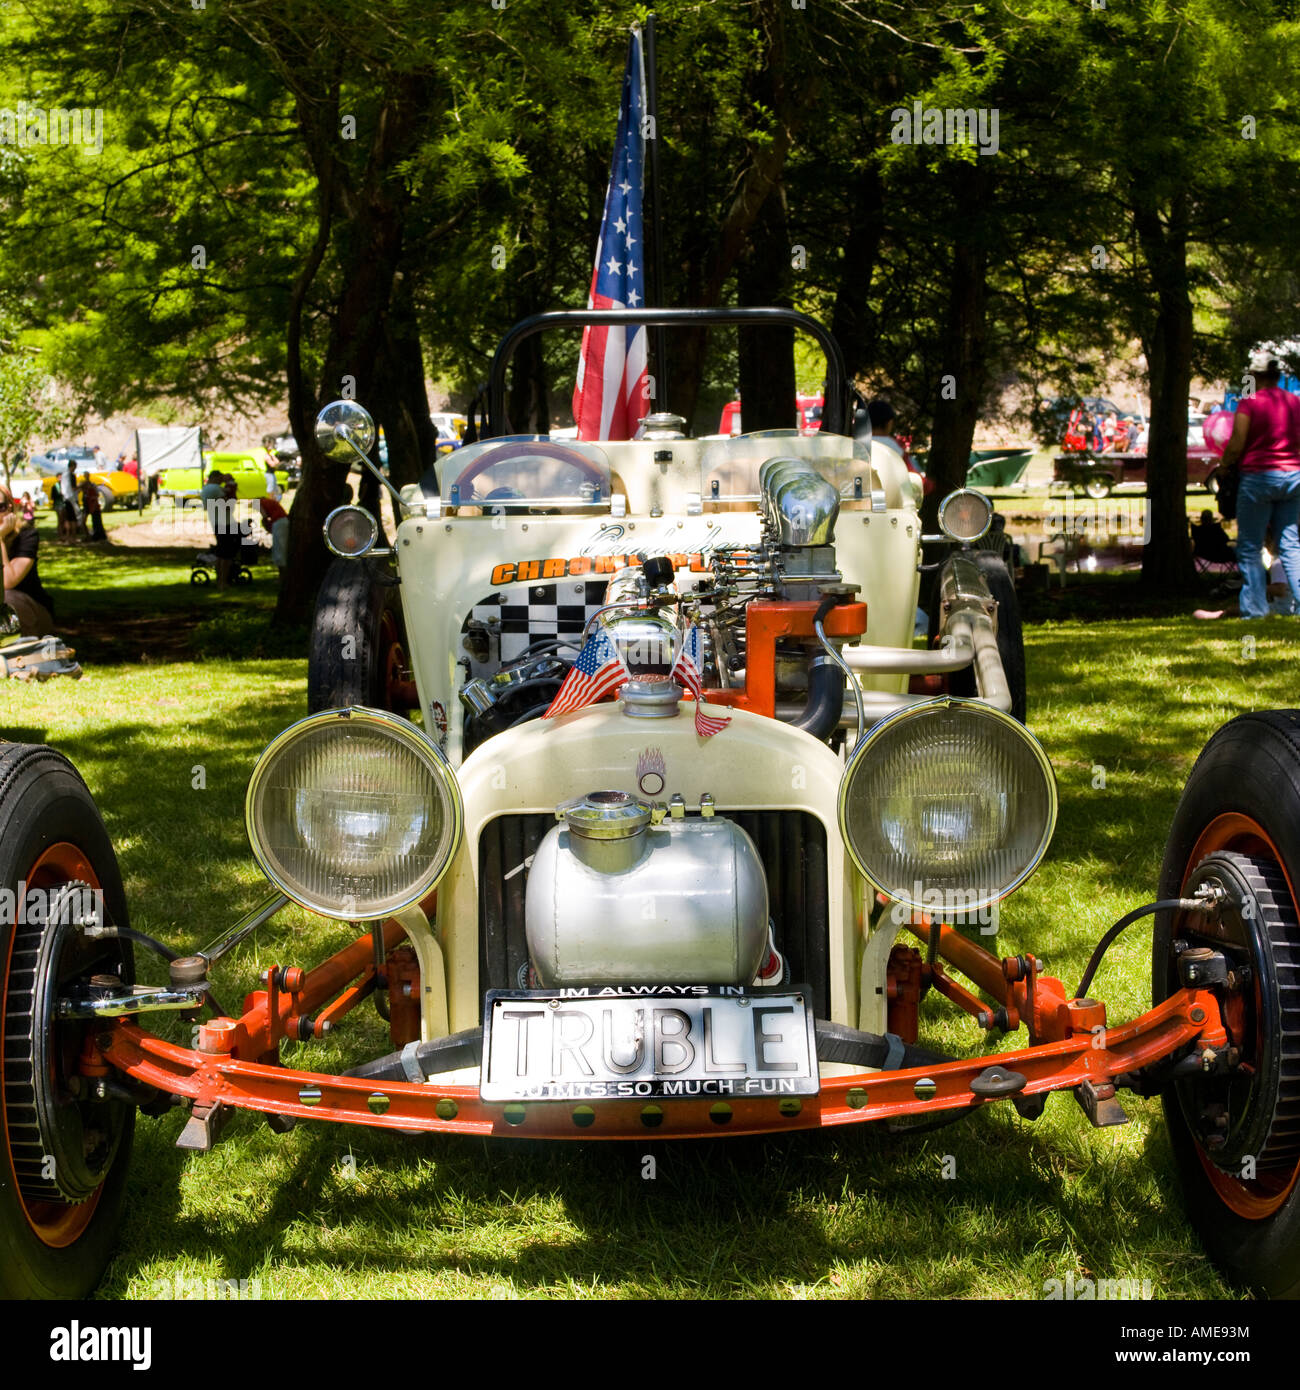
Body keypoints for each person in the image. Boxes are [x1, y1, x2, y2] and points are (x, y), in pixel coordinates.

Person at [1216, 353, 1300, 619]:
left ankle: (1255, 610)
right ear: (1277, 376)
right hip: (1293, 477)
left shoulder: (1249, 404)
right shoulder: (1295, 403)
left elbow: (1238, 441)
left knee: (1250, 546)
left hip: (1258, 477)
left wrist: (1225, 465)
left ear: (1255, 376)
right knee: (1291, 545)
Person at [0, 484, 55, 634]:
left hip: (31, 612)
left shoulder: (27, 535)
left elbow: (8, 581)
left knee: (5, 597)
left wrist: (0, 540)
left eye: (0, 507)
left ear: (10, 508)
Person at [259, 493, 289, 572]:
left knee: (279, 548)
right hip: (284, 521)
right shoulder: (270, 501)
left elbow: (264, 516)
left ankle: (282, 572)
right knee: (283, 546)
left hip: (278, 522)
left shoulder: (259, 503)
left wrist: (266, 525)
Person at [80, 474, 106, 542]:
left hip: (94, 507)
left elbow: (94, 499)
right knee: (94, 522)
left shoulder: (91, 489)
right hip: (91, 507)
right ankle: (91, 535)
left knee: (96, 522)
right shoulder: (88, 490)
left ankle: (98, 536)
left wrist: (93, 508)